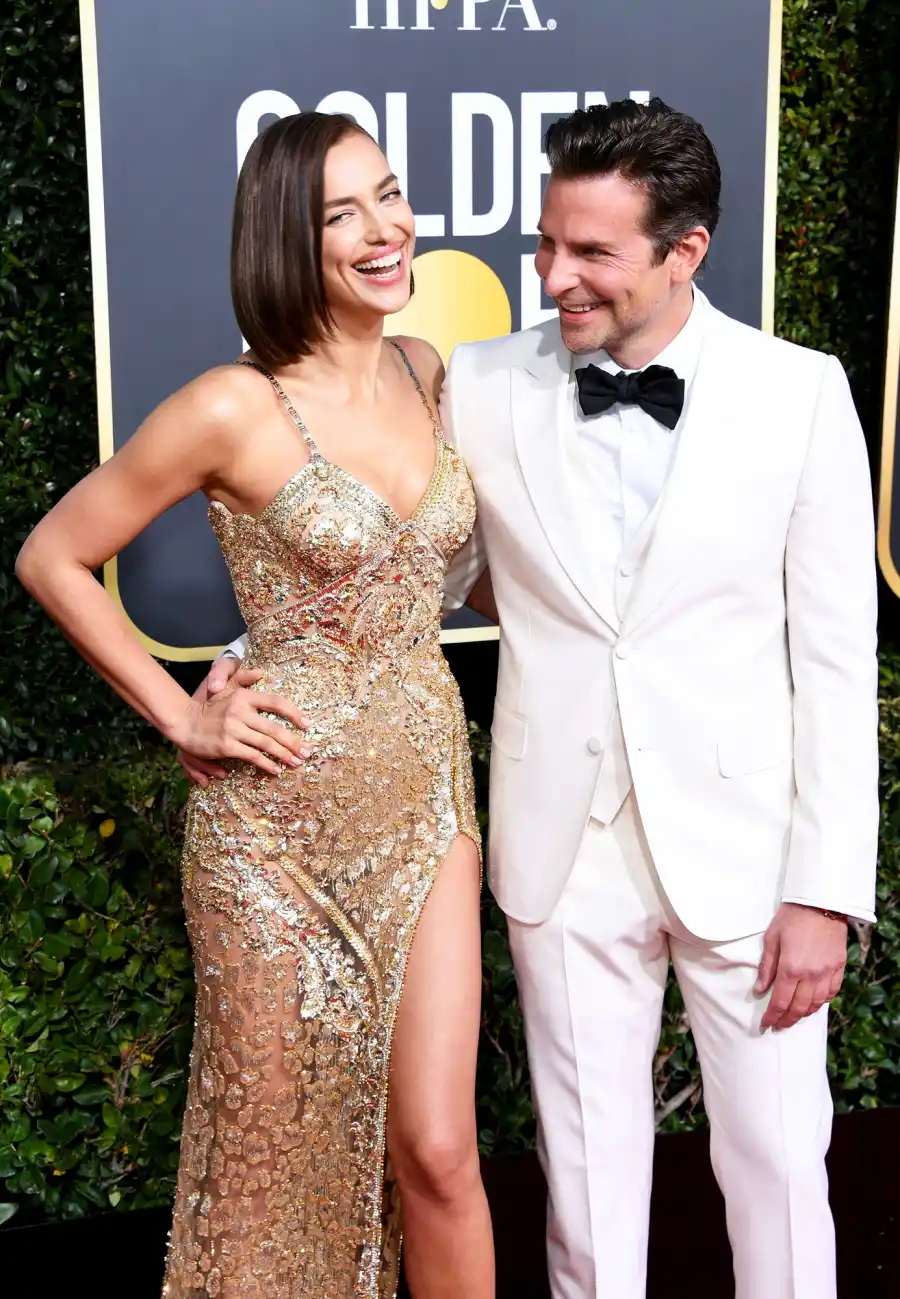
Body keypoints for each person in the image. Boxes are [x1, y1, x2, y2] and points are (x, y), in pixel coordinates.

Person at [202, 97, 879, 1299]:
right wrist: (255, 659)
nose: (556, 277)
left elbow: (836, 657)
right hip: (563, 845)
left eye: (593, 253)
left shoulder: (800, 393)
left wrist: (825, 890)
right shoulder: (480, 382)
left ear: (686, 251)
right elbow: (401, 561)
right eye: (546, 244)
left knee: (780, 1165)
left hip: (749, 850)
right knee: (586, 1185)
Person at [16, 111, 494, 1299]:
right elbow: (53, 555)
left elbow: (455, 576)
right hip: (271, 834)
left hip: (427, 797)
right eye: (344, 213)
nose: (386, 229)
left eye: (390, 195)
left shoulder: (426, 369)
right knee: (268, 1163)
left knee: (440, 1149)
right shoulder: (233, 405)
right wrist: (182, 715)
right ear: (288, 237)